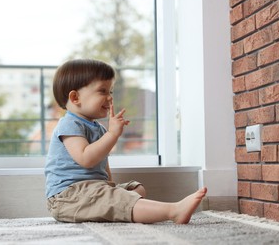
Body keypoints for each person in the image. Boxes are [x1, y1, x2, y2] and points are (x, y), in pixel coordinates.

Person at [45, 59, 207, 224]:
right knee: (117, 198)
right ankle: (173, 211)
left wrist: (110, 186)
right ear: (75, 97)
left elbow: (103, 164)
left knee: (137, 189)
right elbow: (86, 159)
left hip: (93, 189)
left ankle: (115, 205)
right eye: (102, 91)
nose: (109, 98)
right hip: (68, 197)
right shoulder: (69, 124)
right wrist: (113, 134)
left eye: (111, 91)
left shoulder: (99, 129)